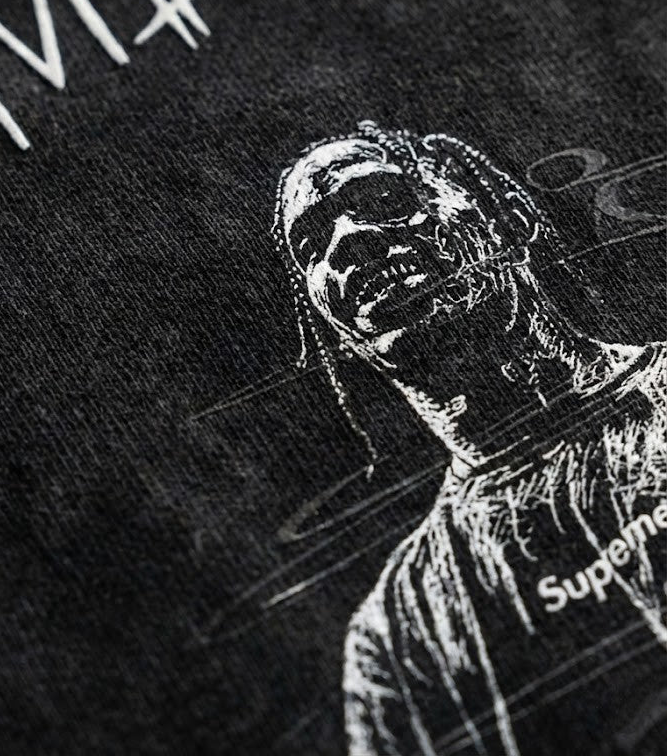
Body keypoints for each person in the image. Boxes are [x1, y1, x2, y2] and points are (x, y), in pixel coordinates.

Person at [275, 121, 667, 756]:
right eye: (312, 245)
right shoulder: (400, 635)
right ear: (336, 331)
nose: (347, 241)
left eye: (383, 199)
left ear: (508, 214)